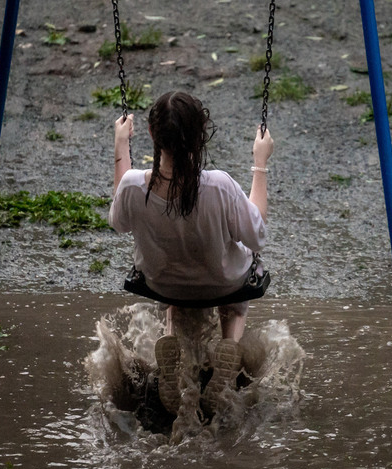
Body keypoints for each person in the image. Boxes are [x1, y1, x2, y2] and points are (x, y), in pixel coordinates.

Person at [109, 91, 274, 416]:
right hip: (224, 285)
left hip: (162, 284)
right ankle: (230, 347)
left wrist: (120, 147)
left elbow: (119, 222)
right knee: (235, 300)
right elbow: (256, 236)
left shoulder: (132, 186)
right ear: (200, 136)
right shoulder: (219, 186)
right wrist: (260, 163)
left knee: (174, 280)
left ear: (153, 134)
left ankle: (173, 349)